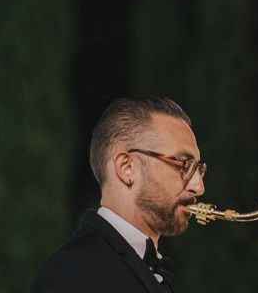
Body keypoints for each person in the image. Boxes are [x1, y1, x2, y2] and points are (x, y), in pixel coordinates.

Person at [31, 97, 206, 293]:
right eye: (183, 164)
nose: (198, 187)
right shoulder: (71, 271)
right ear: (127, 168)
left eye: (198, 169)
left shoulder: (147, 267)